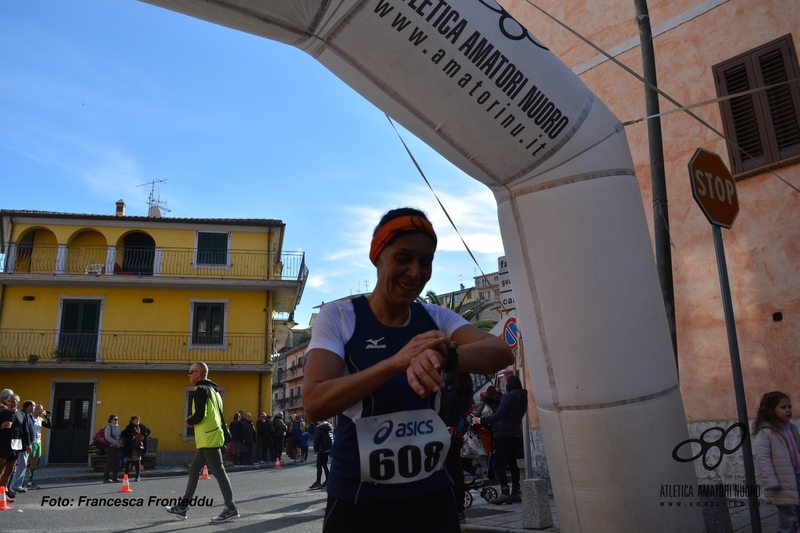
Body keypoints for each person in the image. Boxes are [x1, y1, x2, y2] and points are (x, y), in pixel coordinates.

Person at [303, 207, 513, 533]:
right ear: (377, 257)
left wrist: (445, 355)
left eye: (425, 261)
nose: (415, 273)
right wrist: (396, 362)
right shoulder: (339, 316)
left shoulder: (435, 318)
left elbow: (501, 352)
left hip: (431, 496)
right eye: (403, 258)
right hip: (359, 501)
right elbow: (314, 402)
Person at [165, 361, 239, 522]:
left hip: (209, 438)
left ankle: (231, 507)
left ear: (199, 373)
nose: (188, 375)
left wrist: (189, 421)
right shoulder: (214, 391)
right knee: (193, 471)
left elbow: (200, 415)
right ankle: (183, 507)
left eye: (190, 371)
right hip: (211, 437)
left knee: (218, 471)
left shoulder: (200, 390)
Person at [472, 374, 528, 505]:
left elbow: (499, 415)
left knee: (498, 463)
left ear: (509, 385)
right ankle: (515, 493)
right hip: (516, 434)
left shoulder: (508, 397)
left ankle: (505, 493)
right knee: (513, 463)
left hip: (504, 434)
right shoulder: (523, 398)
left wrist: (480, 420)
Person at [752, 391, 800, 533]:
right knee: (789, 519)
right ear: (771, 410)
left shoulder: (792, 428)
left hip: (797, 477)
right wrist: (771, 482)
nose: (788, 410)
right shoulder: (766, 433)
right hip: (782, 483)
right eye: (783, 407)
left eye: (789, 407)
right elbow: (763, 459)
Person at [443, 370, 475, 522]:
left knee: (448, 471)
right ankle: (459, 507)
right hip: (456, 432)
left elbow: (443, 413)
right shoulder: (466, 394)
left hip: (446, 432)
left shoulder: (449, 392)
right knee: (457, 471)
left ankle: (453, 507)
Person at [0, 394, 30, 502]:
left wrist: (28, 444)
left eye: (14, 401)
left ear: (18, 402)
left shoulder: (21, 414)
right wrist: (2, 426)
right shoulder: (2, 414)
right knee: (1, 467)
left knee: (9, 470)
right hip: (2, 443)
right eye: (9, 401)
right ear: (6, 402)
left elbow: (25, 431)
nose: (11, 403)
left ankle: (2, 495)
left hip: (15, 444)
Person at [9, 400, 35, 494]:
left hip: (24, 444)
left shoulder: (27, 415)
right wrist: (27, 444)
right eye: (33, 406)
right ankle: (14, 485)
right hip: (22, 445)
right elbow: (24, 431)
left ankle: (16, 485)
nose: (34, 408)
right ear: (28, 406)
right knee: (21, 465)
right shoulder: (22, 415)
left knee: (22, 465)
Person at [25, 404, 51, 489]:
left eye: (42, 410)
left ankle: (30, 481)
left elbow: (49, 426)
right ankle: (18, 480)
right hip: (31, 442)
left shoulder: (40, 419)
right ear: (35, 409)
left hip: (38, 442)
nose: (41, 411)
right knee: (26, 462)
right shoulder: (30, 418)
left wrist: (48, 418)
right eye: (40, 409)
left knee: (34, 463)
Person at [121, 416, 151, 482]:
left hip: (138, 447)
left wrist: (144, 435)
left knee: (138, 461)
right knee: (128, 461)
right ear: (132, 421)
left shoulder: (141, 426)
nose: (137, 421)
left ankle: (138, 476)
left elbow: (147, 431)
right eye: (135, 420)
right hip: (130, 447)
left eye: (138, 420)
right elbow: (123, 434)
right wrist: (132, 437)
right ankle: (126, 476)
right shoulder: (129, 427)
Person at [310, 419, 334, 490]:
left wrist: (316, 449)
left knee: (319, 465)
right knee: (324, 465)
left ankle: (318, 482)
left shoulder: (319, 428)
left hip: (322, 448)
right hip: (328, 447)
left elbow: (316, 440)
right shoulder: (329, 426)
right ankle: (328, 480)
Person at [102, 414, 123, 483]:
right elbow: (107, 437)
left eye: (117, 419)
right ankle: (106, 478)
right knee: (110, 462)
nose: (116, 421)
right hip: (110, 447)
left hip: (117, 447)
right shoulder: (109, 427)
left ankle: (115, 477)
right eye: (115, 419)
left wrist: (120, 443)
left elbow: (119, 436)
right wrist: (115, 443)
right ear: (111, 420)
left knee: (117, 462)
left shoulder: (117, 426)